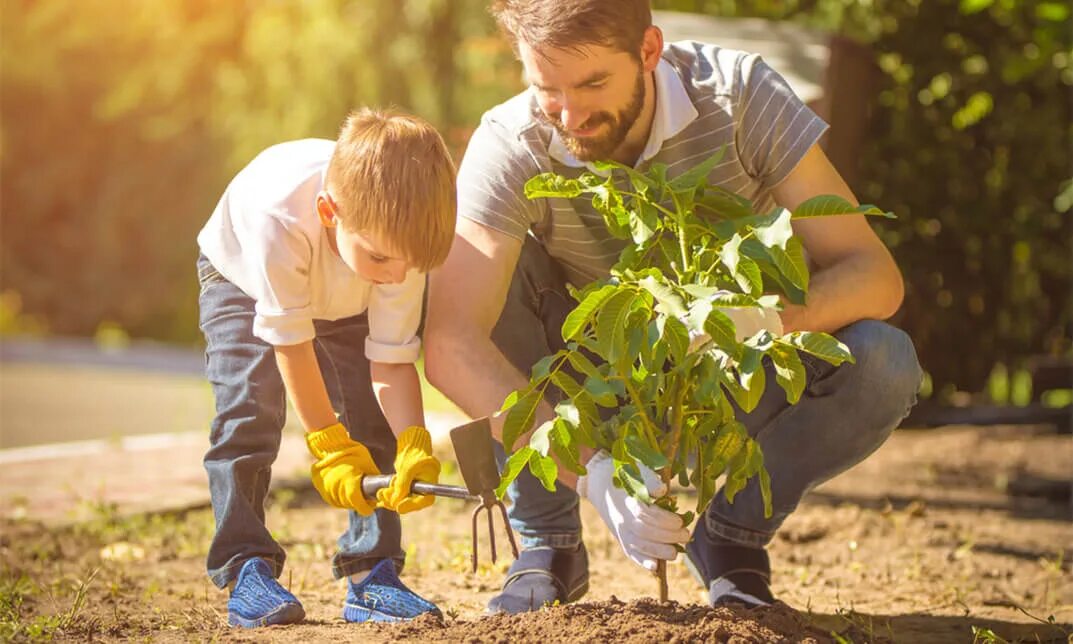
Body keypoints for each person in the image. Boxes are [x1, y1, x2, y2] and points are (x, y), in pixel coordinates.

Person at [424, 0, 922, 613]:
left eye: (593, 83)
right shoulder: (513, 140)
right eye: (546, 88)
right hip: (590, 384)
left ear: (649, 51)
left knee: (885, 361)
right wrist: (592, 472)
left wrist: (767, 319)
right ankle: (546, 544)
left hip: (728, 375)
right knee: (490, 269)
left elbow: (875, 275)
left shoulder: (740, 97)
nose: (569, 115)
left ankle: (730, 540)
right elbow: (450, 342)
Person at [196, 108, 456, 627]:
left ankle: (372, 573)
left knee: (372, 416)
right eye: (385, 260)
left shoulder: (394, 250)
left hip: (345, 291)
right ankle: (245, 565)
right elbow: (291, 344)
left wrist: (413, 441)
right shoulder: (279, 219)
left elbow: (392, 360)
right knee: (250, 411)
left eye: (410, 264)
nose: (399, 276)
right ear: (329, 212)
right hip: (244, 280)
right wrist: (329, 445)